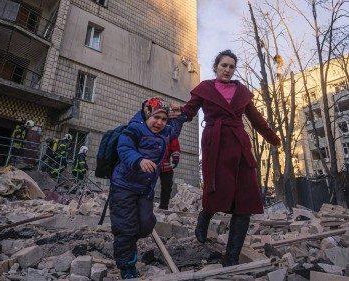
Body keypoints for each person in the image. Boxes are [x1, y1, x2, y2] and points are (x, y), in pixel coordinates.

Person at [176, 50, 281, 266]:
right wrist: (172, 119)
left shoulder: (242, 91)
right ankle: (205, 215)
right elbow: (189, 111)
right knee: (217, 191)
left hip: (240, 148)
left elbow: (257, 119)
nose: (227, 69)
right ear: (216, 67)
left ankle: (231, 257)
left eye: (231, 66)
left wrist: (275, 139)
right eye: (224, 65)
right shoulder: (205, 88)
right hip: (216, 145)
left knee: (245, 201)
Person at [109, 97, 186, 279]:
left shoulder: (165, 132)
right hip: (123, 187)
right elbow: (124, 148)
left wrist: (180, 115)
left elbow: (175, 129)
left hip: (144, 190)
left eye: (164, 119)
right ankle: (127, 266)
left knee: (145, 226)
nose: (159, 122)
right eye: (155, 117)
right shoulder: (134, 128)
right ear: (147, 115)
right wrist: (138, 160)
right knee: (125, 228)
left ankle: (128, 243)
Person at [158, 137, 181, 210]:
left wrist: (175, 158)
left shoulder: (170, 132)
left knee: (167, 186)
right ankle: (144, 206)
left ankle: (163, 207)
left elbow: (174, 145)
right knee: (147, 186)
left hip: (166, 165)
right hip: (151, 164)